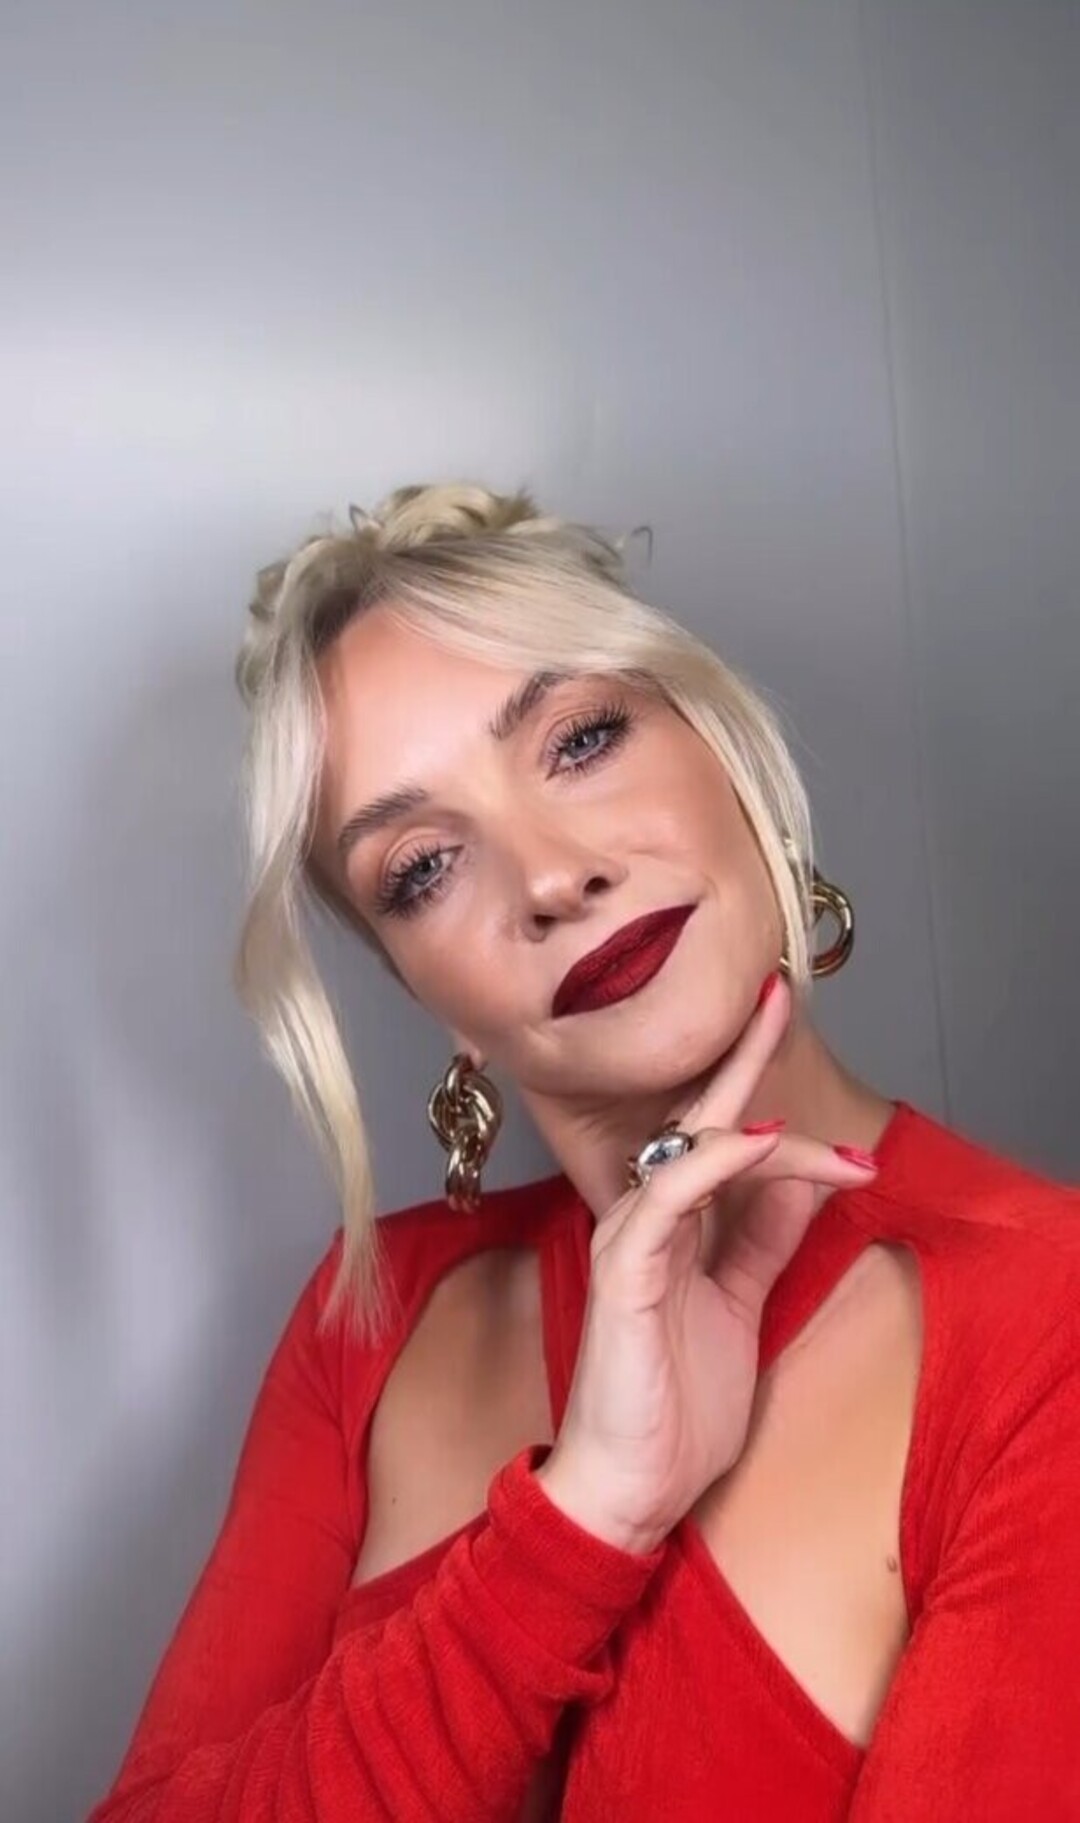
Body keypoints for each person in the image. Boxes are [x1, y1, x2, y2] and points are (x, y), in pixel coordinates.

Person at [87, 482, 1080, 1823]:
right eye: (424, 867)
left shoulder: (1049, 1320)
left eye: (582, 738)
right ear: (426, 996)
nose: (551, 875)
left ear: (722, 743)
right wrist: (587, 1516)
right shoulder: (368, 1318)